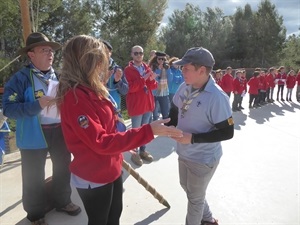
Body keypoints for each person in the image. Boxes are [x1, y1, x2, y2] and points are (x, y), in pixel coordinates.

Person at [55, 35, 182, 225]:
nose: (104, 65)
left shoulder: (91, 89)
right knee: (100, 220)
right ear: (86, 62)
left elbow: (110, 125)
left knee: (114, 216)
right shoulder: (76, 97)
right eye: (100, 60)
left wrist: (125, 141)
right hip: (95, 174)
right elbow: (101, 141)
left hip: (112, 166)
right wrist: (148, 131)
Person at [2, 32, 81, 225]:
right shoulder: (19, 79)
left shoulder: (61, 76)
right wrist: (36, 105)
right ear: (31, 55)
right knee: (33, 175)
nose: (50, 53)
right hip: (33, 135)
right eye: (44, 50)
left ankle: (63, 201)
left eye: (51, 50)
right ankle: (36, 214)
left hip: (60, 131)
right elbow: (9, 109)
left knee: (63, 168)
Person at [167, 47, 234, 225]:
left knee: (194, 200)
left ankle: (202, 220)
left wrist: (193, 138)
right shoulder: (185, 85)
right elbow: (175, 107)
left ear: (201, 70)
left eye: (186, 68)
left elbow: (228, 132)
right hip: (183, 152)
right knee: (187, 189)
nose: (182, 71)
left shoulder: (217, 97)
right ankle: (208, 218)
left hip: (203, 158)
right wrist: (171, 124)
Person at [124, 45, 157, 166]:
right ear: (132, 55)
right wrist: (144, 78)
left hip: (147, 104)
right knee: (136, 131)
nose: (139, 55)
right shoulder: (128, 70)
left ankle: (143, 150)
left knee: (145, 129)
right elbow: (130, 88)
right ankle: (135, 153)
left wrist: (152, 79)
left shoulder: (146, 67)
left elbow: (153, 87)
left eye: (141, 53)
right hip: (137, 105)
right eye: (136, 53)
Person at [102, 40, 128, 110]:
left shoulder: (117, 69)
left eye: (106, 51)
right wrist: (103, 80)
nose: (103, 53)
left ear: (110, 53)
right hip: (100, 107)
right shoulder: (92, 69)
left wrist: (118, 81)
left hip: (115, 108)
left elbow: (125, 91)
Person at [149, 51, 173, 121]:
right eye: (159, 59)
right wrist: (158, 69)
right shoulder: (152, 67)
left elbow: (170, 79)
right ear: (156, 59)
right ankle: (154, 129)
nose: (161, 61)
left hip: (164, 93)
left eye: (163, 59)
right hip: (154, 93)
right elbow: (153, 78)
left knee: (165, 113)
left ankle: (166, 129)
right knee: (154, 113)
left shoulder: (167, 67)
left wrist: (167, 69)